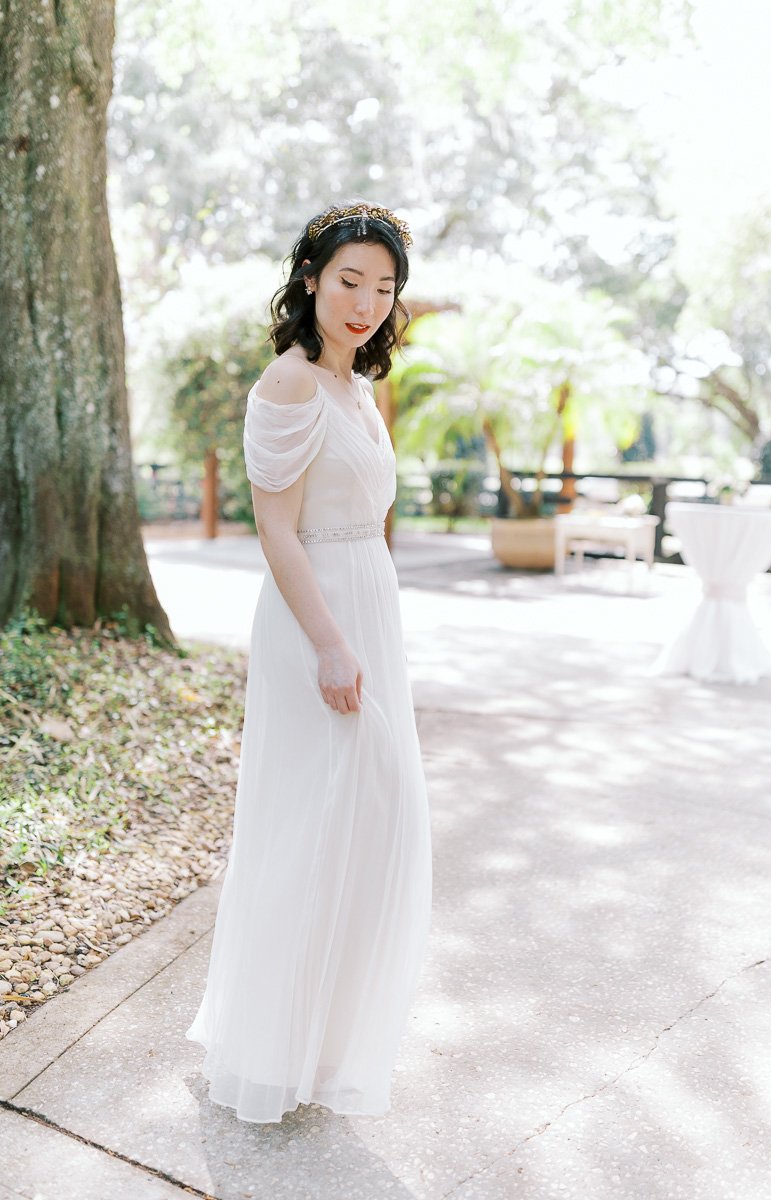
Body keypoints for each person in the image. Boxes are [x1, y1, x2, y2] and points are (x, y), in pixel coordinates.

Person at [185, 201, 433, 1124]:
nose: (366, 300)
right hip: (314, 619)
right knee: (313, 827)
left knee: (371, 827)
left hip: (370, 607)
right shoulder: (288, 384)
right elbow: (276, 532)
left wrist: (367, 632)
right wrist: (331, 642)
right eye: (349, 280)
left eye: (383, 286)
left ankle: (315, 1043)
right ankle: (267, 1047)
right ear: (311, 281)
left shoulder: (356, 389)